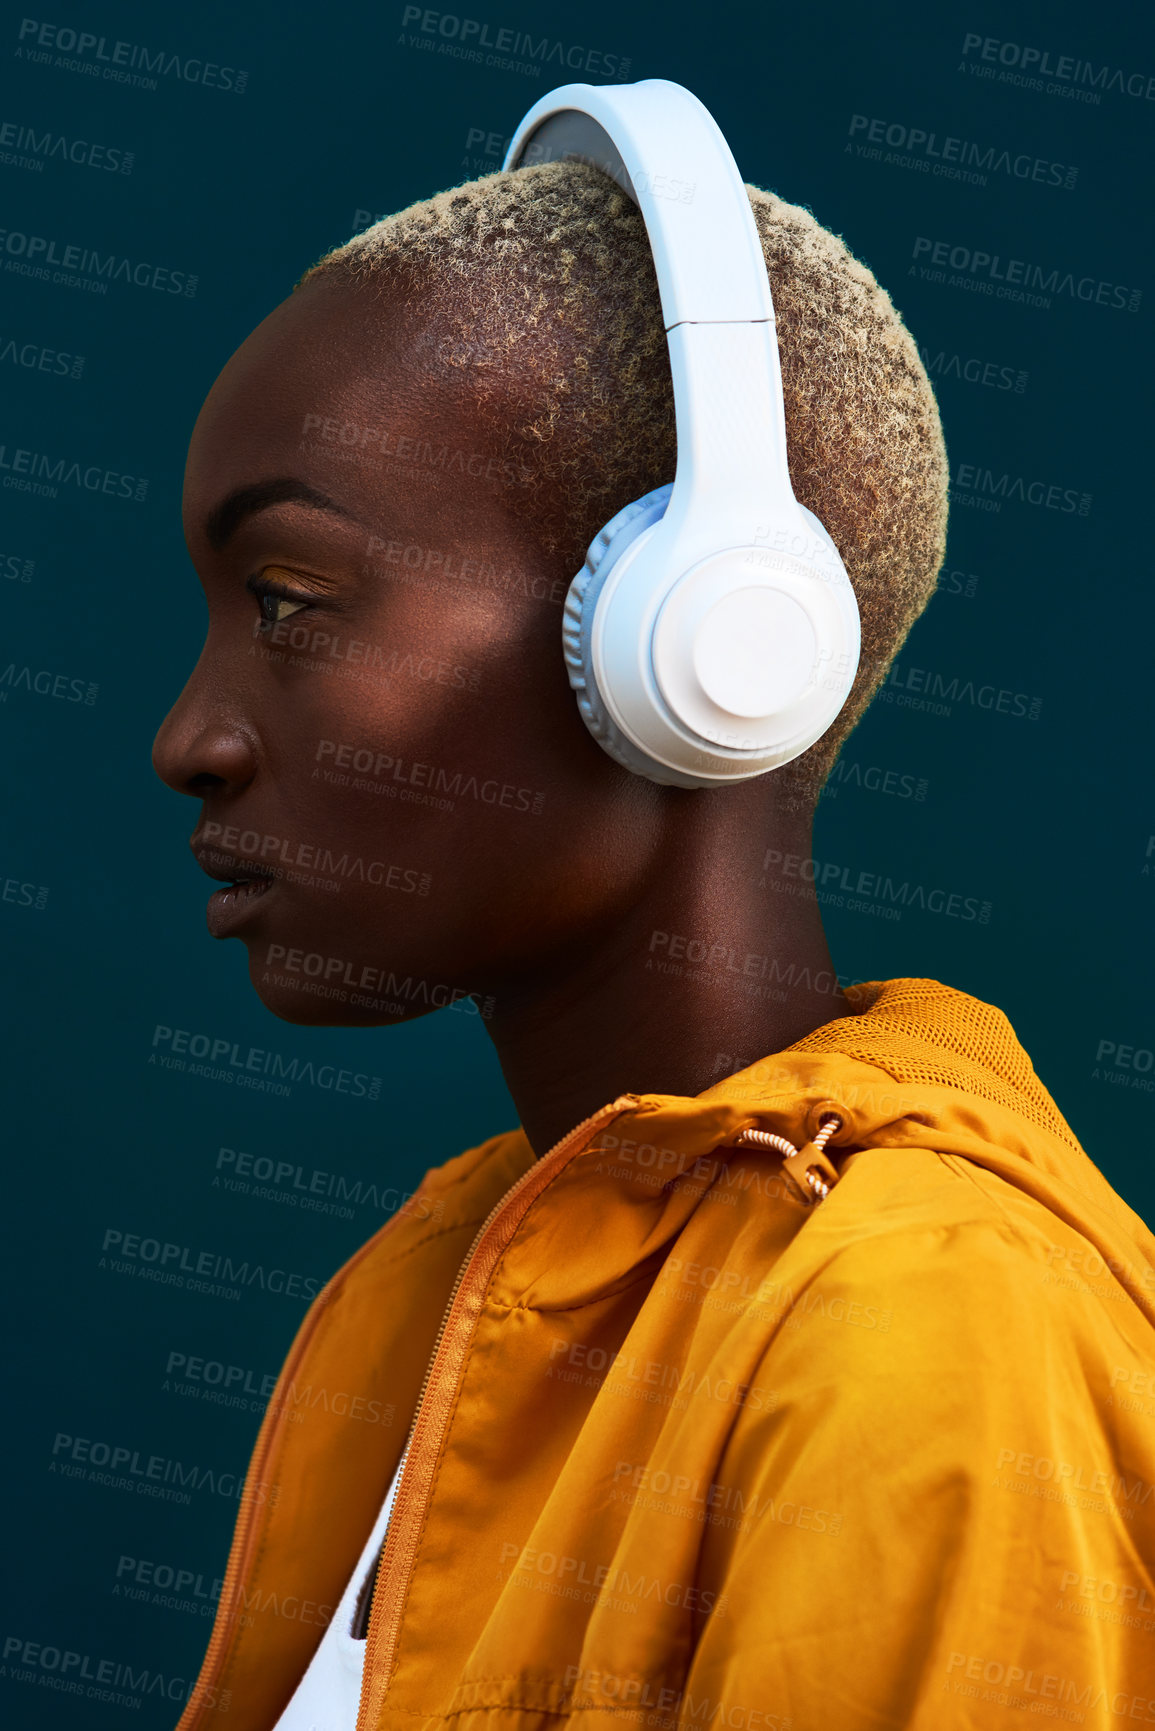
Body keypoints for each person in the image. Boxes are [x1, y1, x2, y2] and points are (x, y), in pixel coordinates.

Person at [152, 129, 1155, 1731]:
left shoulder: (924, 1337)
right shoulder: (446, 1297)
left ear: (690, 641)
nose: (189, 736)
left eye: (291, 601)